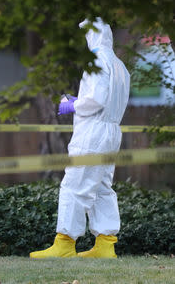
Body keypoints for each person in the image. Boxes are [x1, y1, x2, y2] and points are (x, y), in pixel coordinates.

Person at [30, 18, 130, 259]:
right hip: (112, 131)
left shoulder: (96, 60)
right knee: (102, 187)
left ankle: (64, 244)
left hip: (93, 132)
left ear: (93, 35)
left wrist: (72, 105)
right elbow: (107, 99)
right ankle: (105, 245)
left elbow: (95, 100)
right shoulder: (119, 65)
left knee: (74, 184)